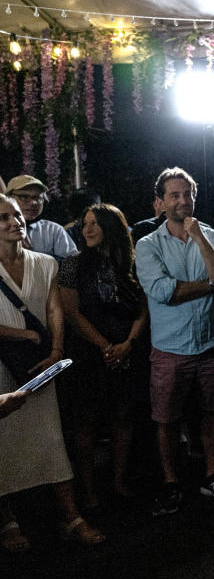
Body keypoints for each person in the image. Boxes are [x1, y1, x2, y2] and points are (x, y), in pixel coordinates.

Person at [0, 194, 104, 551]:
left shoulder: (45, 262)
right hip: (1, 366)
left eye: (15, 214)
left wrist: (56, 349)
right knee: (3, 443)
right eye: (3, 218)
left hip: (40, 363)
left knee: (51, 438)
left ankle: (69, 516)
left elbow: (54, 308)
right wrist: (23, 334)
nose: (15, 221)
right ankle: (8, 521)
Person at [135, 167, 214, 516]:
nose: (182, 201)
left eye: (187, 194)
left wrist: (201, 241)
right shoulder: (147, 244)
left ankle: (211, 475)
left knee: (213, 411)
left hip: (212, 341)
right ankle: (170, 481)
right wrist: (208, 286)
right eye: (174, 195)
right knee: (166, 418)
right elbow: (163, 292)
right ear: (160, 203)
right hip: (170, 346)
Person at [60, 203, 148, 510]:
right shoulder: (73, 264)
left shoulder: (132, 264)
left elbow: (143, 309)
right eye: (85, 224)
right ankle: (88, 488)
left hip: (126, 349)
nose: (88, 229)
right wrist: (105, 347)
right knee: (86, 421)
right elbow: (71, 313)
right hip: (88, 352)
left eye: (95, 223)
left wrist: (127, 344)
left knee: (123, 417)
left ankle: (119, 480)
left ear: (113, 227)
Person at [4, 175, 78, 261]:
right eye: (24, 197)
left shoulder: (54, 230)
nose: (33, 203)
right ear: (8, 198)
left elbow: (73, 264)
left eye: (38, 197)